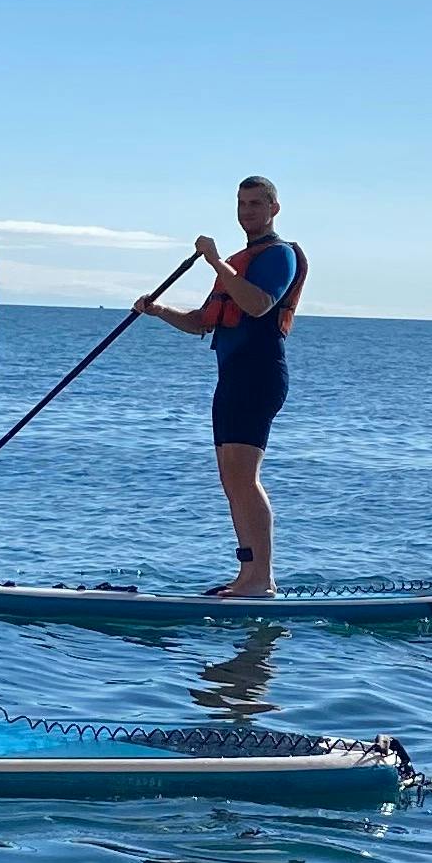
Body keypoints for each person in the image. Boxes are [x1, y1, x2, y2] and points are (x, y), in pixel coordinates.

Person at [132, 175, 306, 597]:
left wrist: (212, 261)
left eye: (255, 204)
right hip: (230, 378)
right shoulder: (236, 261)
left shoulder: (279, 256)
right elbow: (200, 323)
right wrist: (158, 310)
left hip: (259, 375)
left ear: (273, 209)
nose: (247, 212)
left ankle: (262, 578)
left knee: (244, 477)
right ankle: (248, 574)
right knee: (231, 478)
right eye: (241, 204)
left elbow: (258, 304)